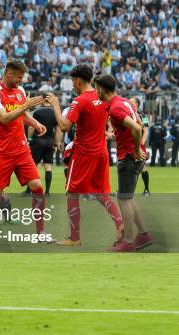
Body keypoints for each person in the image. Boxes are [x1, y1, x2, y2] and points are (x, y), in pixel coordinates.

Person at [47, 64, 124, 247]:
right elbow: (107, 120)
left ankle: (74, 238)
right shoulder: (103, 97)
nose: (73, 85)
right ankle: (120, 223)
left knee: (72, 193)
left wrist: (56, 106)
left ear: (78, 81)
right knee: (100, 193)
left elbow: (65, 126)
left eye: (73, 81)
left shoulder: (79, 100)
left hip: (84, 153)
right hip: (101, 152)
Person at [0, 59, 49, 244]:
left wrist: (35, 123)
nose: (21, 81)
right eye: (19, 77)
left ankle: (40, 232)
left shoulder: (20, 91)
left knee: (37, 186)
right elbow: (4, 118)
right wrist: (25, 105)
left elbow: (21, 114)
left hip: (21, 149)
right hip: (1, 151)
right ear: (9, 74)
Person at [94, 74, 153, 252]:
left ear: (102, 89)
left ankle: (127, 242)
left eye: (96, 89)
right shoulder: (124, 102)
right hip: (134, 156)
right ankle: (143, 235)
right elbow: (140, 124)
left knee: (124, 199)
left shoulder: (116, 108)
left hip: (129, 156)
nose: (96, 92)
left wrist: (135, 149)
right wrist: (140, 148)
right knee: (127, 196)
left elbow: (136, 128)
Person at [26, 99, 58, 196]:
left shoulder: (37, 112)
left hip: (38, 141)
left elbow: (32, 126)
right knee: (48, 166)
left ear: (43, 101)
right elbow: (58, 129)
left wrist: (29, 139)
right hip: (49, 142)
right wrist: (56, 143)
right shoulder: (55, 113)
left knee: (34, 166)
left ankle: (28, 191)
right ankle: (47, 192)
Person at [130, 97, 151, 195]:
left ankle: (146, 190)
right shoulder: (128, 113)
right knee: (130, 167)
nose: (129, 103)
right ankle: (126, 190)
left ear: (137, 104)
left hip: (139, 144)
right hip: (129, 144)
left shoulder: (143, 116)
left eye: (131, 102)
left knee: (141, 167)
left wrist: (141, 143)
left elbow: (146, 131)